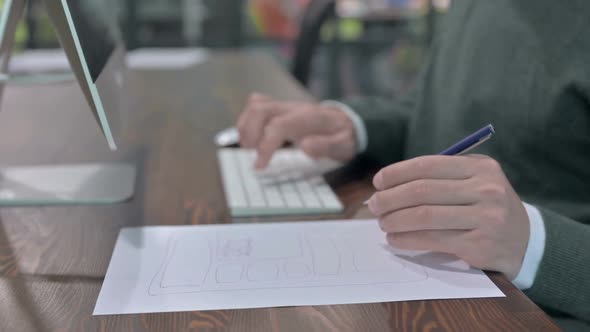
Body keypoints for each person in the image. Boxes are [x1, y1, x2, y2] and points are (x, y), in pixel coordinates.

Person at [235, 0, 590, 330]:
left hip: (536, 311)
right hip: (434, 281)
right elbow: (436, 109)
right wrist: (354, 124)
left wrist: (533, 242)